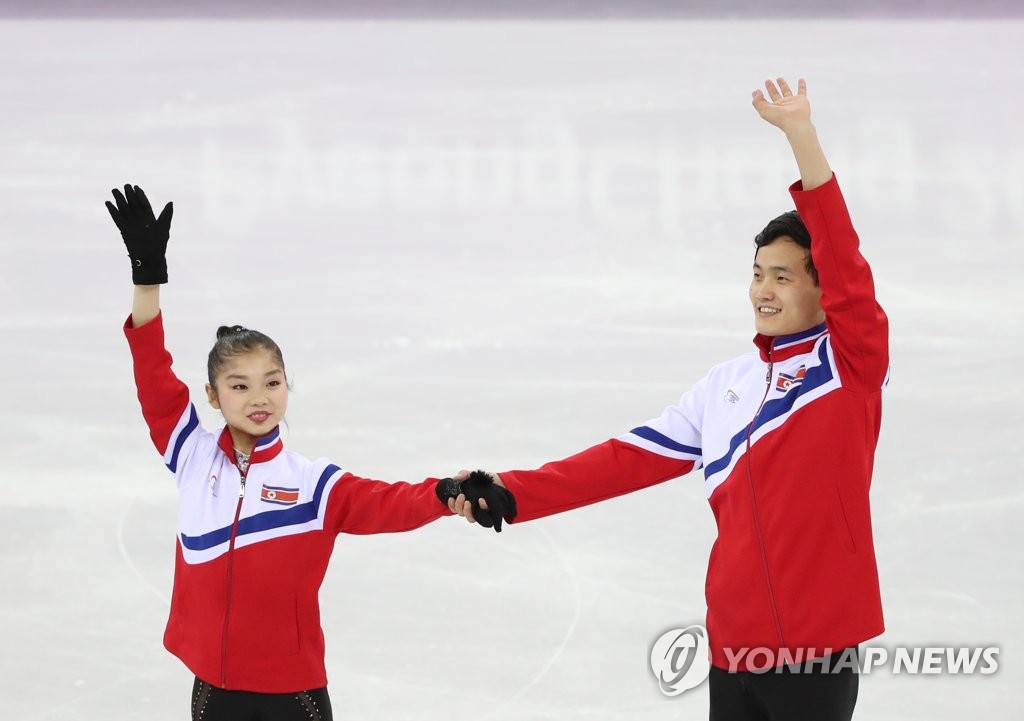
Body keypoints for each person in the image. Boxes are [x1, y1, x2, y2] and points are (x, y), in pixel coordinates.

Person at [450, 78, 888, 721]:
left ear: (822, 291)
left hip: (818, 648)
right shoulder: (724, 387)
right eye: (757, 273)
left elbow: (845, 259)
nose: (763, 290)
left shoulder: (849, 364)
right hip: (733, 647)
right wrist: (513, 492)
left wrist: (801, 137)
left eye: (784, 276)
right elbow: (624, 459)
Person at [106, 185, 516, 721]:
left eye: (271, 382)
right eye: (239, 386)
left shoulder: (312, 484)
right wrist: (147, 280)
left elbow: (389, 502)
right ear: (212, 395)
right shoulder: (192, 457)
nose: (259, 398)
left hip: (293, 698)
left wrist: (451, 491)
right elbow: (153, 374)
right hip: (212, 692)